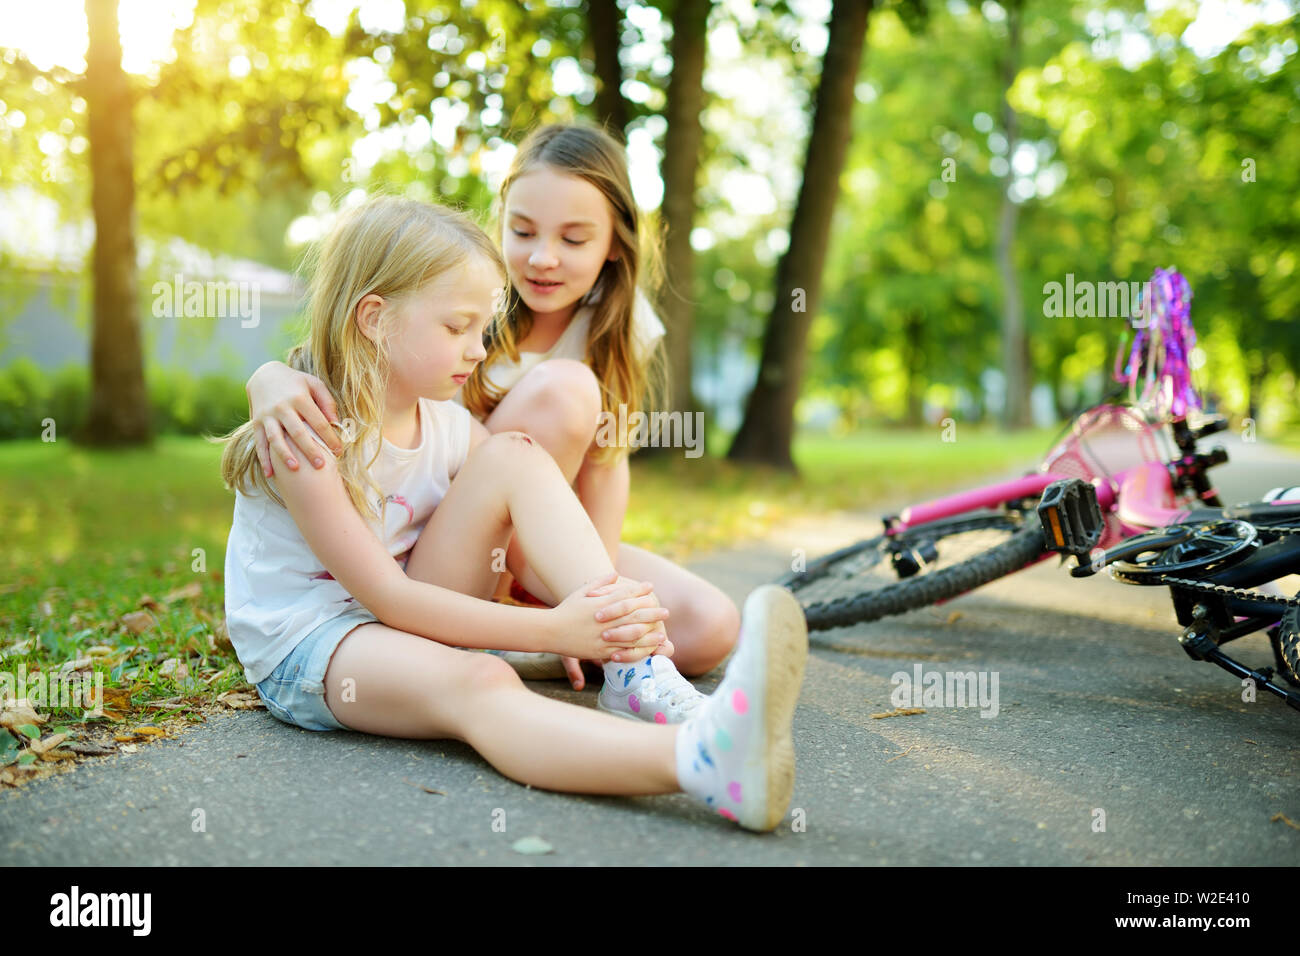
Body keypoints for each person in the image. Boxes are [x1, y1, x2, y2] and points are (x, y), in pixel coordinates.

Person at [220, 195, 808, 831]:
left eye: (483, 327)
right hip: (316, 643)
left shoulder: (443, 422)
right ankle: (707, 762)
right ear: (375, 318)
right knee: (481, 685)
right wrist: (557, 630)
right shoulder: (307, 435)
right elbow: (390, 599)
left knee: (517, 454)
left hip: (406, 613)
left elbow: (533, 500)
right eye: (456, 327)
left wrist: (612, 619)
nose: (477, 349)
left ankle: (636, 668)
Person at [243, 124, 738, 714]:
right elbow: (345, 353)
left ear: (614, 244)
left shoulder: (621, 325)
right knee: (564, 390)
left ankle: (560, 642)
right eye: (522, 231)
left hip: (541, 539)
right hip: (439, 542)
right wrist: (267, 376)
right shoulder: (466, 293)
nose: (543, 257)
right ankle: (513, 633)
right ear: (501, 219)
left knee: (710, 628)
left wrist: (596, 598)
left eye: (574, 239)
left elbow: (606, 469)